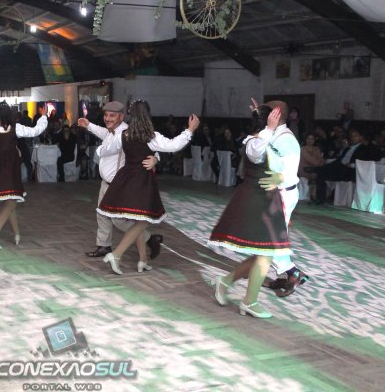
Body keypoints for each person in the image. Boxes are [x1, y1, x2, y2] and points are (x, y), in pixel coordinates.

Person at [95, 101, 199, 274]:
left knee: (139, 221)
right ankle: (117, 254)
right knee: (143, 221)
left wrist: (100, 151)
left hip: (126, 179)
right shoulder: (150, 136)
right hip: (141, 181)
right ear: (147, 115)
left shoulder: (125, 135)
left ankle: (143, 259)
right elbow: (173, 145)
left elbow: (108, 149)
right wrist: (190, 130)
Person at [210, 105, 288, 319]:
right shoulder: (254, 142)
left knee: (263, 253)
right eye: (275, 120)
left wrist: (281, 177)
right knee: (265, 252)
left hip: (269, 201)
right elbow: (256, 155)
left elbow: (283, 168)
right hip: (255, 200)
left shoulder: (270, 140)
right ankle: (249, 301)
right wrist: (268, 129)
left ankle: (227, 282)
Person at [78, 101, 164, 261]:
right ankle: (103, 246)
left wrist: (156, 159)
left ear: (121, 117)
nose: (107, 118)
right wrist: (88, 125)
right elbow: (103, 132)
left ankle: (149, 239)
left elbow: (151, 148)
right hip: (106, 183)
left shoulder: (128, 133)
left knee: (119, 220)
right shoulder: (111, 131)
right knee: (102, 214)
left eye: (112, 115)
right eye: (106, 115)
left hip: (120, 186)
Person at [246, 100, 308, 297]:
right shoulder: (273, 132)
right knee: (271, 236)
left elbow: (289, 171)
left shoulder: (286, 139)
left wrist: (278, 178)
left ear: (276, 115)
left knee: (271, 238)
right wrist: (258, 115)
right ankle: (285, 274)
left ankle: (293, 273)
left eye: (266, 111)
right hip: (275, 193)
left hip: (282, 193)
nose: (263, 113)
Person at [0, 101, 51, 249]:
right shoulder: (15, 128)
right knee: (12, 201)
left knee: (10, 201)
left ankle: (17, 233)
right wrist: (43, 117)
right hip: (9, 169)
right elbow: (36, 131)